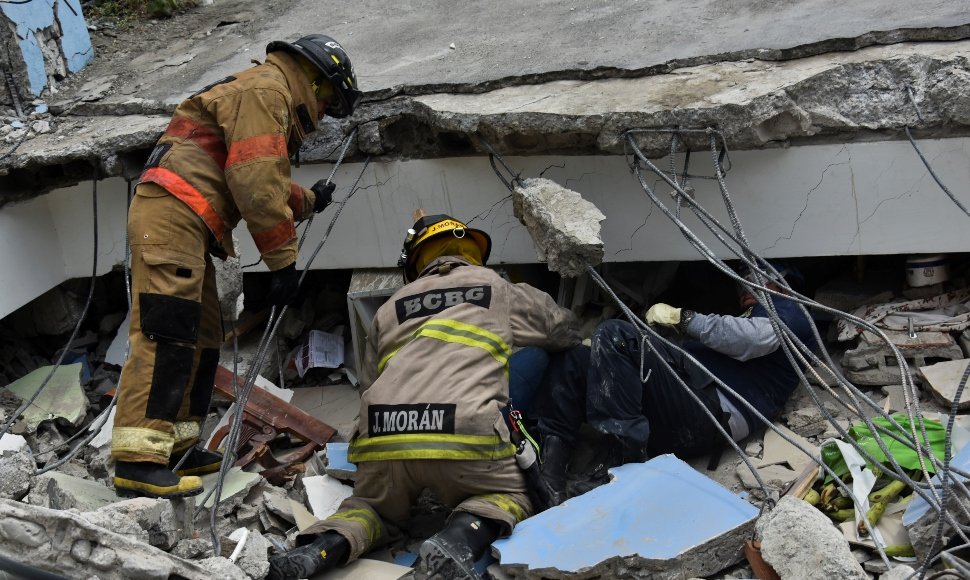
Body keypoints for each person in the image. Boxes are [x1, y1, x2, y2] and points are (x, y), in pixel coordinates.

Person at [111, 34, 363, 499]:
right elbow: (253, 183)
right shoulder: (268, 91)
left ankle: (180, 446)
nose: (325, 112)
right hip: (173, 215)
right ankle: (137, 461)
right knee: (166, 333)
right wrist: (283, 265)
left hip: (189, 219)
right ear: (313, 78)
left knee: (203, 334)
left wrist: (309, 200)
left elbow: (255, 171)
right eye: (329, 99)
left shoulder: (267, 92)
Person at [268, 212, 580, 580]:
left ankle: (320, 549)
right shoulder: (497, 289)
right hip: (464, 435)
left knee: (369, 508)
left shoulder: (388, 308)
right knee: (508, 497)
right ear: (471, 252)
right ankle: (455, 541)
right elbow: (564, 331)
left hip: (384, 438)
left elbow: (368, 386)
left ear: (416, 260)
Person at [531, 261, 817, 509]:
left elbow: (754, 339)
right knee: (575, 356)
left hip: (714, 413)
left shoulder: (790, 309)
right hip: (685, 407)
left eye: (753, 278)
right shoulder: (748, 315)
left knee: (616, 334)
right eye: (741, 280)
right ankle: (550, 476)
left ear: (781, 283)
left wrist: (685, 318)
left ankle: (623, 468)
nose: (745, 287)